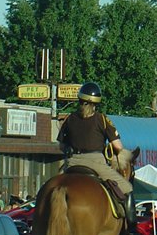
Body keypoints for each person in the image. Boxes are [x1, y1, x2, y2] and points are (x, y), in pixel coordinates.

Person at [57, 82, 134, 220]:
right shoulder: (101, 119)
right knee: (127, 188)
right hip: (96, 163)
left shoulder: (70, 119)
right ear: (96, 104)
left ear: (80, 100)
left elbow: (61, 145)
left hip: (72, 163)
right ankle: (132, 227)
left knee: (53, 186)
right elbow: (118, 147)